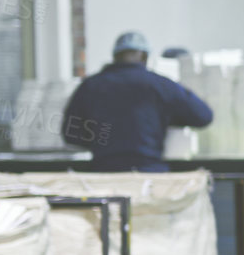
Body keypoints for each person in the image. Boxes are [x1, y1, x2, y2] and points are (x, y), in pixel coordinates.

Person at [61, 31, 212, 171]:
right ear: (145, 57)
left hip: (104, 173)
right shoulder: (161, 85)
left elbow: (71, 134)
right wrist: (167, 118)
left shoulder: (91, 86)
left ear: (115, 57)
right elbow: (203, 116)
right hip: (148, 172)